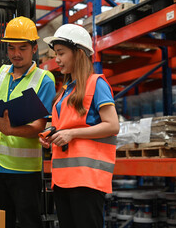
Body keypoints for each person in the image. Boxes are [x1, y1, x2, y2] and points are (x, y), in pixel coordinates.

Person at [0, 16, 56, 228]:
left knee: (30, 223)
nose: (16, 54)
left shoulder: (44, 80)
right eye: (11, 48)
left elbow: (40, 127)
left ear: (34, 49)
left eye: (22, 48)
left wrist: (9, 129)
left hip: (24, 170)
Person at [40, 24, 119, 228]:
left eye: (61, 53)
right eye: (55, 54)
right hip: (63, 179)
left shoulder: (96, 84)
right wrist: (52, 133)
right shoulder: (66, 91)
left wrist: (72, 134)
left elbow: (112, 125)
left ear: (79, 53)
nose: (56, 59)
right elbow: (66, 125)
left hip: (87, 179)